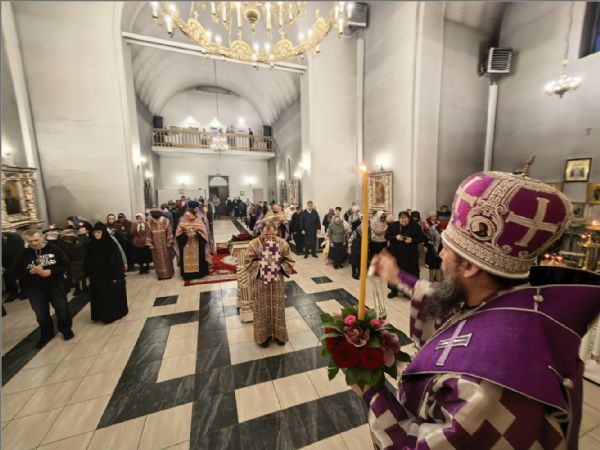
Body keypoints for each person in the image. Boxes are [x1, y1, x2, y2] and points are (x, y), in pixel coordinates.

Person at [362, 170, 597, 449]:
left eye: (446, 248)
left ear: (469, 267)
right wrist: (397, 276)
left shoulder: (490, 381)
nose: (440, 254)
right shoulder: (517, 303)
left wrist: (369, 388)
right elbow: (444, 301)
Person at [11, 230, 74, 348]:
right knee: (41, 314)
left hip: (55, 285)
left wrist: (51, 271)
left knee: (62, 309)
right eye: (30, 241)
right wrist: (30, 272)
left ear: (42, 238)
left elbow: (66, 265)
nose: (34, 243)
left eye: (36, 240)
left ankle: (66, 329)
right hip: (34, 289)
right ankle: (46, 334)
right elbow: (14, 273)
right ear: (25, 241)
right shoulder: (23, 254)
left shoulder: (54, 249)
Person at [244, 221, 295, 347]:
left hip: (277, 282)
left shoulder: (282, 243)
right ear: (261, 232)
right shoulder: (254, 244)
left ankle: (279, 335)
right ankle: (263, 337)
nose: (269, 237)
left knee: (278, 309)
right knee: (261, 310)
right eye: (266, 234)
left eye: (272, 234)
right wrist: (263, 265)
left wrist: (278, 267)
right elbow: (248, 262)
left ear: (276, 231)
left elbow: (290, 261)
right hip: (261, 283)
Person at [84, 222, 128, 323]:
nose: (97, 234)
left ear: (103, 232)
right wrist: (87, 274)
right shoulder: (91, 244)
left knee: (109, 296)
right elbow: (88, 260)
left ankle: (110, 316)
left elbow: (116, 260)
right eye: (95, 232)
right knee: (99, 296)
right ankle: (99, 315)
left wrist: (116, 276)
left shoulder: (110, 244)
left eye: (99, 232)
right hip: (96, 276)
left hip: (109, 276)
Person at [385, 211, 424, 298]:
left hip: (410, 255)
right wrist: (395, 237)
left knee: (409, 273)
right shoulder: (393, 225)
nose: (404, 223)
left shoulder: (415, 226)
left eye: (406, 221)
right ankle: (394, 290)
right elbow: (386, 236)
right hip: (396, 253)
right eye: (402, 221)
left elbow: (422, 238)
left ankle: (408, 291)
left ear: (409, 219)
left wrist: (412, 240)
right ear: (399, 219)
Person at [175, 208, 211, 280]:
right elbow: (178, 235)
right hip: (186, 245)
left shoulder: (199, 222)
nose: (188, 217)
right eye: (186, 216)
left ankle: (199, 274)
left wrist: (196, 234)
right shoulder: (182, 222)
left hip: (197, 244)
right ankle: (188, 275)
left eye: (190, 215)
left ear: (194, 215)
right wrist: (186, 235)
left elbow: (205, 234)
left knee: (199, 259)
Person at [57, 228, 89, 295]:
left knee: (83, 274)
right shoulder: (63, 242)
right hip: (72, 261)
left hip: (81, 259)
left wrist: (83, 235)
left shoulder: (80, 238)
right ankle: (78, 288)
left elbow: (85, 244)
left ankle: (84, 287)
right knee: (74, 275)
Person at [146, 208, 175, 280]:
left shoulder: (166, 221)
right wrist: (150, 245)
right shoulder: (149, 223)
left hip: (165, 244)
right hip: (155, 245)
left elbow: (169, 232)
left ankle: (169, 273)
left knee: (167, 258)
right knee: (158, 260)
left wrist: (169, 242)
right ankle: (160, 275)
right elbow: (148, 234)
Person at [2, 232, 25, 302]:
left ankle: (24, 292)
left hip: (18, 259)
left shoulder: (14, 237)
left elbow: (21, 250)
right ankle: (13, 294)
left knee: (22, 275)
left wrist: (19, 261)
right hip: (5, 262)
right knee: (8, 277)